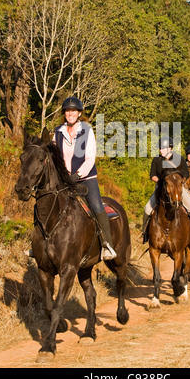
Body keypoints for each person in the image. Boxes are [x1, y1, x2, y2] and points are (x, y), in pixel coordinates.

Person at [54, 96, 117, 261]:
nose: (70, 113)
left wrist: (77, 175)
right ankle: (39, 243)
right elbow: (53, 154)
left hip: (85, 177)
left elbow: (90, 158)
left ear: (79, 113)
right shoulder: (58, 132)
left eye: (73, 110)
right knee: (47, 200)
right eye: (68, 110)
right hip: (64, 178)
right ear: (64, 113)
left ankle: (106, 244)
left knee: (96, 206)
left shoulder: (87, 131)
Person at [142, 137, 190, 241]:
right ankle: (145, 234)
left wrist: (179, 181)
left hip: (178, 188)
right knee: (147, 208)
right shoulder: (156, 160)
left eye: (162, 148)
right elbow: (152, 175)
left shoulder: (180, 159)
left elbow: (186, 173)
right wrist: (160, 181)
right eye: (160, 148)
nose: (160, 150)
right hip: (161, 188)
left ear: (170, 148)